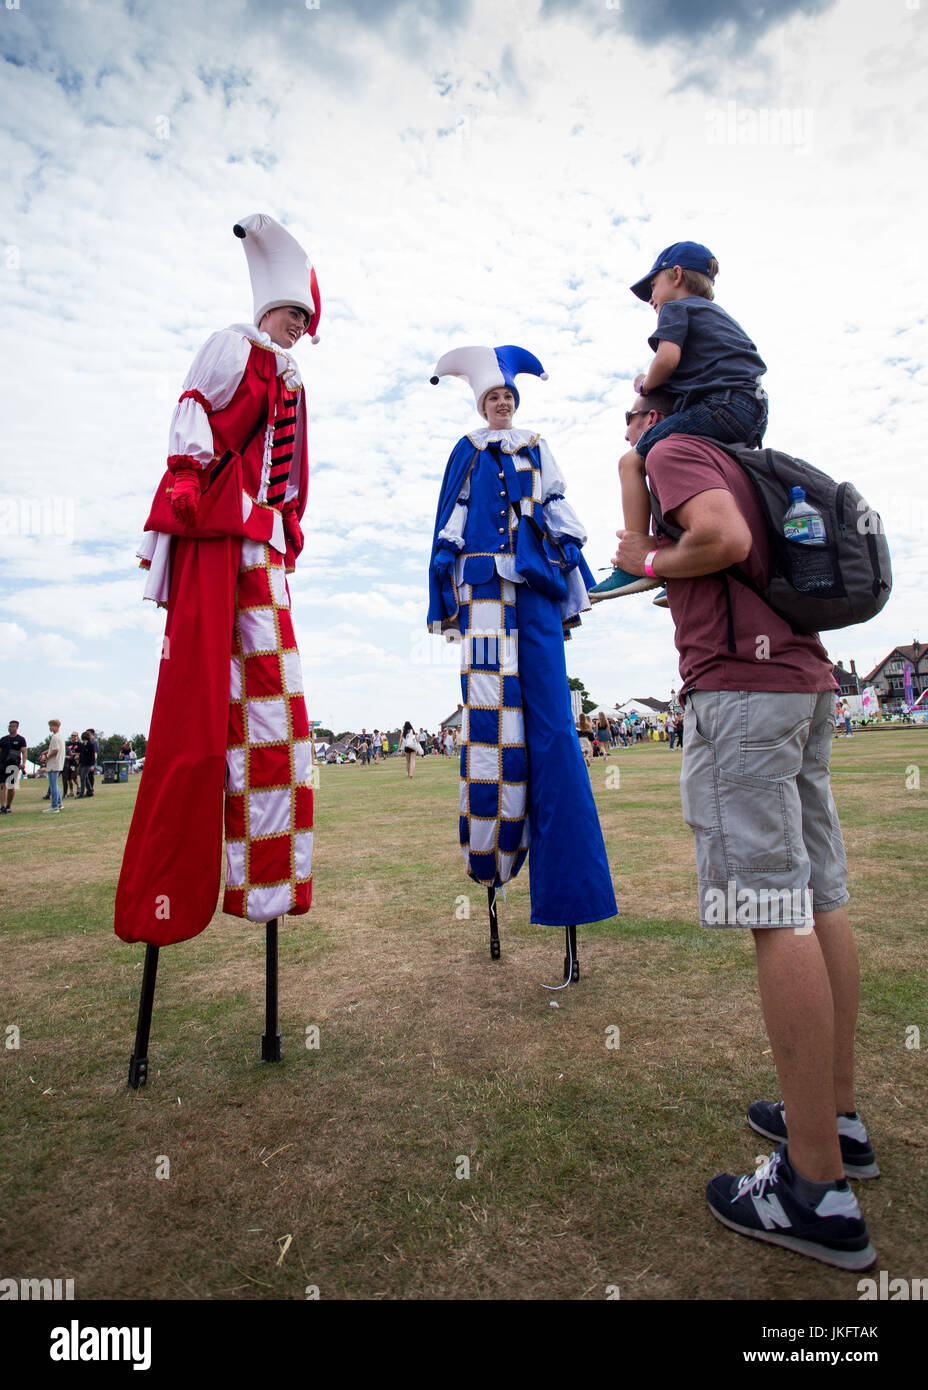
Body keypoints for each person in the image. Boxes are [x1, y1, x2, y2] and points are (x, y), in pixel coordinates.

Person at [613, 425, 876, 1271]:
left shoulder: (673, 450)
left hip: (740, 690)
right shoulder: (744, 458)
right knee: (820, 895)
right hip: (804, 682)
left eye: (634, 403)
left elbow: (712, 539)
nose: (627, 419)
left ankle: (815, 1190)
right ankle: (835, 1121)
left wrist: (649, 550)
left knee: (773, 911)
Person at [116, 214, 320, 947]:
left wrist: (285, 522)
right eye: (293, 313)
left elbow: (290, 474)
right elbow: (195, 409)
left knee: (275, 706)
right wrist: (186, 475)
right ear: (268, 307)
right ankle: (172, 888)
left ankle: (267, 879)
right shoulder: (235, 346)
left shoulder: (291, 377)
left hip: (260, 540)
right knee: (203, 703)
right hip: (219, 531)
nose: (299, 326)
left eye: (304, 317)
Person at [428, 344, 616, 928]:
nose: (502, 405)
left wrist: (574, 565)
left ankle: (569, 893)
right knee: (490, 720)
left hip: (532, 583)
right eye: (494, 398)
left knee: (554, 726)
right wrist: (444, 561)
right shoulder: (468, 450)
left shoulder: (536, 446)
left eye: (508, 397)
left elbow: (556, 505)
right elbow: (454, 512)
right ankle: (491, 859)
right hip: (483, 587)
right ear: (483, 406)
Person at [591, 241, 767, 601]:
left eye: (652, 287)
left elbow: (667, 359)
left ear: (675, 275)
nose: (651, 299)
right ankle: (693, 566)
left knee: (632, 462)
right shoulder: (719, 318)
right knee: (708, 483)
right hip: (752, 412)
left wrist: (645, 381)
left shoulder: (676, 309)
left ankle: (635, 562)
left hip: (722, 405)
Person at [0, 719, 27, 815]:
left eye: (12, 726)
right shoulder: (3, 739)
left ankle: (8, 806)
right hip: (3, 764)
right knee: (2, 785)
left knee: (11, 786)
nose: (10, 728)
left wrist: (23, 763)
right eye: (9, 726)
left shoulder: (21, 739)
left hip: (13, 765)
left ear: (16, 727)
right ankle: (2, 807)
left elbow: (24, 752)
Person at [43, 720, 65, 814]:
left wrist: (46, 756)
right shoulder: (60, 736)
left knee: (53, 785)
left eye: (51, 726)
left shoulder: (55, 737)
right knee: (55, 785)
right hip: (58, 763)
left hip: (54, 764)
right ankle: (59, 803)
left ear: (55, 726)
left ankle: (54, 806)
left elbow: (55, 750)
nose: (50, 728)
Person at [77, 731, 96, 798]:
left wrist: (92, 765)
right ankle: (90, 790)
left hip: (88, 764)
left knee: (83, 777)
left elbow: (92, 756)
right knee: (85, 777)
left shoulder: (91, 745)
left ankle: (81, 793)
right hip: (82, 763)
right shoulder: (82, 745)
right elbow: (81, 754)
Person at [63, 731, 81, 797]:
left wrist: (74, 754)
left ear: (77, 736)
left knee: (74, 776)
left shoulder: (79, 744)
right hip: (68, 763)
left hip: (75, 763)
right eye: (72, 735)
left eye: (74, 735)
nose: (73, 737)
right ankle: (71, 791)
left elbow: (81, 753)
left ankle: (79, 787)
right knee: (69, 778)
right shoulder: (68, 744)